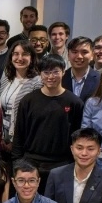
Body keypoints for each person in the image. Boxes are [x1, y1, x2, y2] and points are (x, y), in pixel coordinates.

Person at [11, 54, 83, 182]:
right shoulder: (28, 101)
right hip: (30, 164)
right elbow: (19, 135)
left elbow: (77, 136)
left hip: (62, 165)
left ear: (63, 72)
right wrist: (17, 163)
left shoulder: (74, 102)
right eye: (46, 72)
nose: (50, 77)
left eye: (55, 72)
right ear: (40, 74)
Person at [0, 39, 41, 149]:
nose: (20, 58)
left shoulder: (37, 81)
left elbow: (34, 117)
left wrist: (15, 141)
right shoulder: (7, 77)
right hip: (3, 139)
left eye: (25, 54)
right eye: (16, 54)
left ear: (31, 58)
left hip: (23, 140)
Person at [63, 36, 99, 101]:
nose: (79, 56)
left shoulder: (100, 79)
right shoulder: (60, 78)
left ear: (92, 56)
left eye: (84, 52)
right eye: (74, 52)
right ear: (68, 55)